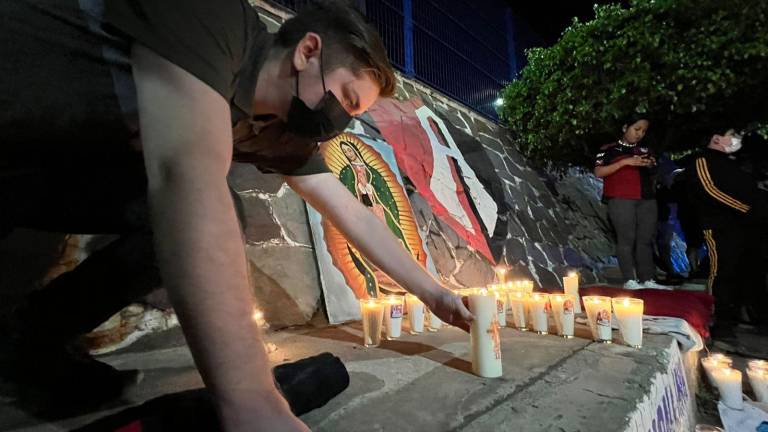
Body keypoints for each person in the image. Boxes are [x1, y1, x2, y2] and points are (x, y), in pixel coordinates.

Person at [0, 0, 474, 430]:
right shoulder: (213, 18)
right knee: (206, 204)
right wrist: (252, 400)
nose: (341, 122)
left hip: (39, 171)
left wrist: (436, 295)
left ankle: (29, 342)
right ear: (308, 51)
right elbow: (186, 173)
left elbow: (355, 214)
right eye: (347, 100)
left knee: (176, 215)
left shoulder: (274, 130)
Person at [686, 128, 767, 338]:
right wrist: (746, 209)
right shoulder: (702, 160)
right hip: (720, 225)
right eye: (733, 135)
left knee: (748, 270)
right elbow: (711, 190)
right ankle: (719, 319)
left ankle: (748, 314)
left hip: (748, 226)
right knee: (722, 270)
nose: (737, 139)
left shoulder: (735, 163)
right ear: (716, 138)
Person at [594, 116, 669, 290]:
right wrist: (625, 162)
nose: (640, 134)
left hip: (646, 198)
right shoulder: (609, 149)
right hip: (620, 198)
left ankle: (647, 279)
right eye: (637, 129)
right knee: (626, 238)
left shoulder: (645, 149)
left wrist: (650, 164)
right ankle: (629, 280)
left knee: (646, 239)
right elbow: (598, 172)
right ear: (625, 127)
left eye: (643, 131)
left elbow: (654, 170)